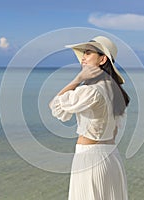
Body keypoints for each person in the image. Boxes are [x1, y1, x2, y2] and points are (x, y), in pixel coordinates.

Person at [49, 36, 130, 200]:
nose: (83, 58)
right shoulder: (115, 90)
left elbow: (56, 106)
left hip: (90, 158)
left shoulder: (91, 90)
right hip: (111, 157)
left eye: (88, 53)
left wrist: (77, 80)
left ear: (102, 59)